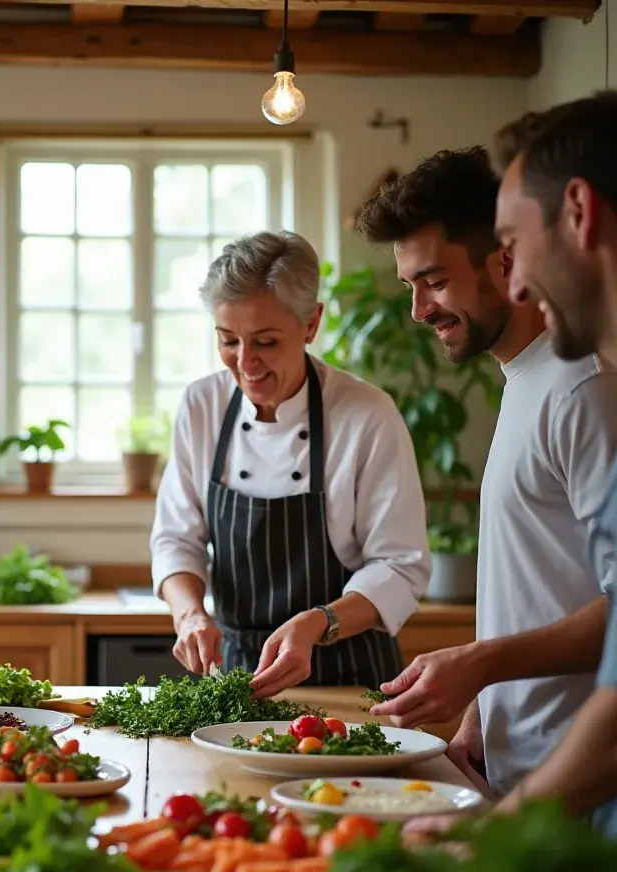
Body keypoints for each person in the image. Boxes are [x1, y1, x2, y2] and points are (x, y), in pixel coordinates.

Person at [355, 147, 617, 801]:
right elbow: (545, 584)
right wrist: (485, 705)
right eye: (410, 284)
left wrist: (480, 663)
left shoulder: (582, 388)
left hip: (576, 789)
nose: (418, 310)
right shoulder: (523, 379)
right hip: (514, 772)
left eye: (435, 280)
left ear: (503, 261)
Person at [149, 231, 430, 697]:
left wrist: (319, 622)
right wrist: (190, 614)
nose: (245, 363)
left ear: (311, 323)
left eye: (265, 341)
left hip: (350, 679)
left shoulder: (366, 415)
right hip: (240, 680)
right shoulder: (202, 406)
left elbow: (400, 566)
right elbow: (177, 537)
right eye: (228, 340)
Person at [477, 92, 617, 827]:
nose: (518, 282)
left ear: (579, 212)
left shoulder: (587, 391)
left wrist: (493, 834)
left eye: (514, 242)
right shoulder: (543, 378)